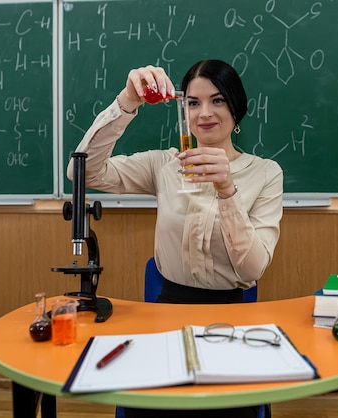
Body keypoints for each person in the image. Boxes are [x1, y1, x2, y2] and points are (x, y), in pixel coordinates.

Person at [68, 60, 283, 417]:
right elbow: (81, 170)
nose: (205, 113)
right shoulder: (165, 165)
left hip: (228, 318)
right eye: (193, 102)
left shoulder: (265, 173)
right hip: (167, 313)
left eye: (218, 100)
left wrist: (227, 191)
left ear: (236, 107)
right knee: (153, 407)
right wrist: (126, 102)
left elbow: (253, 268)